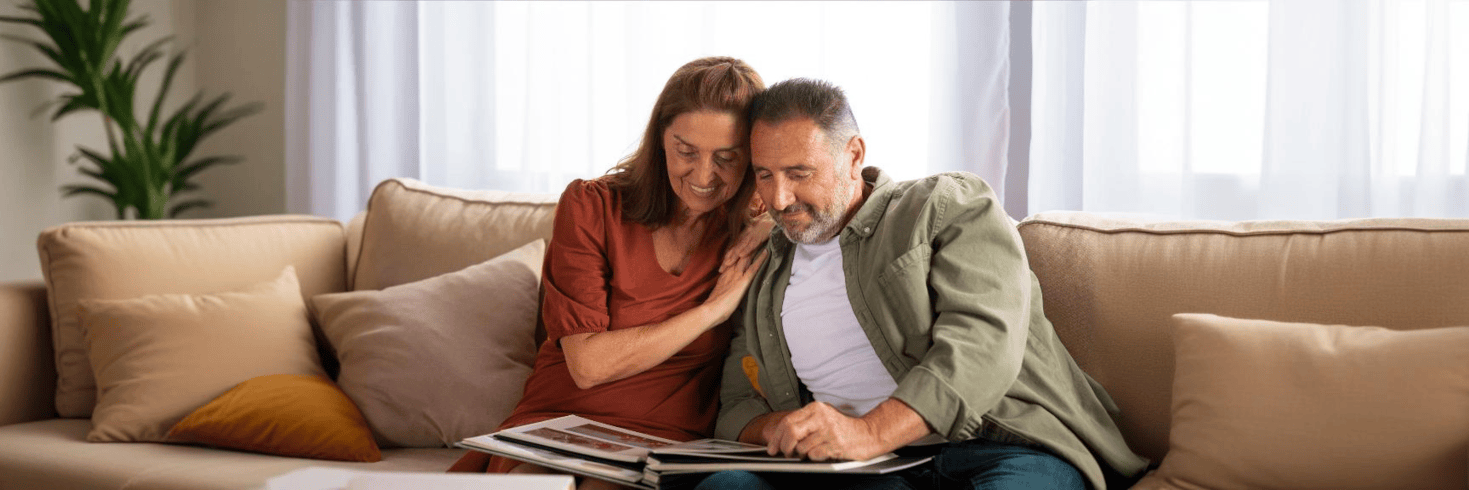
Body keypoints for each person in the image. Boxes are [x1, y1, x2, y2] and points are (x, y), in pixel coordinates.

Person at [698, 78, 1150, 490]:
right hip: (869, 472)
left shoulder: (946, 207)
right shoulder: (763, 267)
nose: (779, 199)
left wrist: (869, 432)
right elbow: (737, 402)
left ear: (853, 156)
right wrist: (783, 428)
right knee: (726, 487)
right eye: (764, 175)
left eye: (799, 174)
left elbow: (983, 343)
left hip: (1003, 444)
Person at [449, 57, 772, 490]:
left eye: (726, 158)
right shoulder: (591, 206)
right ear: (661, 138)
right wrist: (714, 309)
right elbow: (588, 365)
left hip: (666, 443)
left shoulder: (753, 225)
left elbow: (840, 187)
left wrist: (773, 222)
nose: (703, 175)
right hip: (558, 424)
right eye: (686, 151)